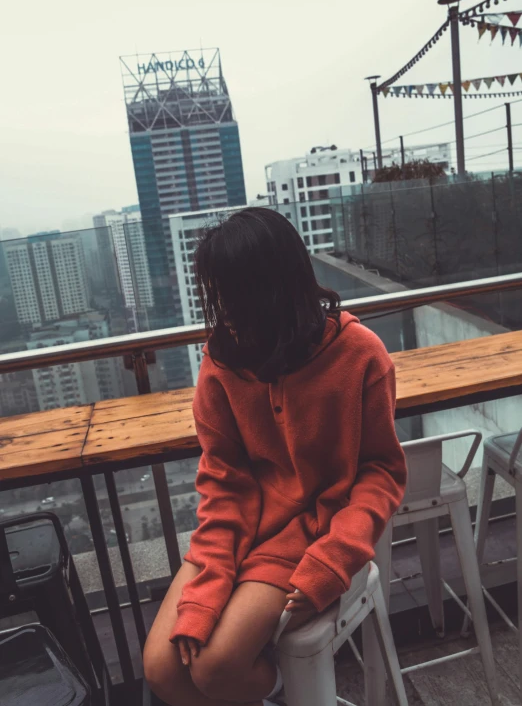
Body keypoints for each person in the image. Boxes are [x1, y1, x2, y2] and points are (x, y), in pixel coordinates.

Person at [144, 207, 407, 706]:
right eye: (219, 296)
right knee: (163, 669)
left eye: (236, 296)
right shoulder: (222, 362)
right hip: (237, 528)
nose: (227, 313)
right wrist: (205, 591)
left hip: (307, 532)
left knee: (217, 668)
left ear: (277, 287)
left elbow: (381, 472)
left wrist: (334, 560)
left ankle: (279, 687)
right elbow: (223, 481)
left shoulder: (360, 355)